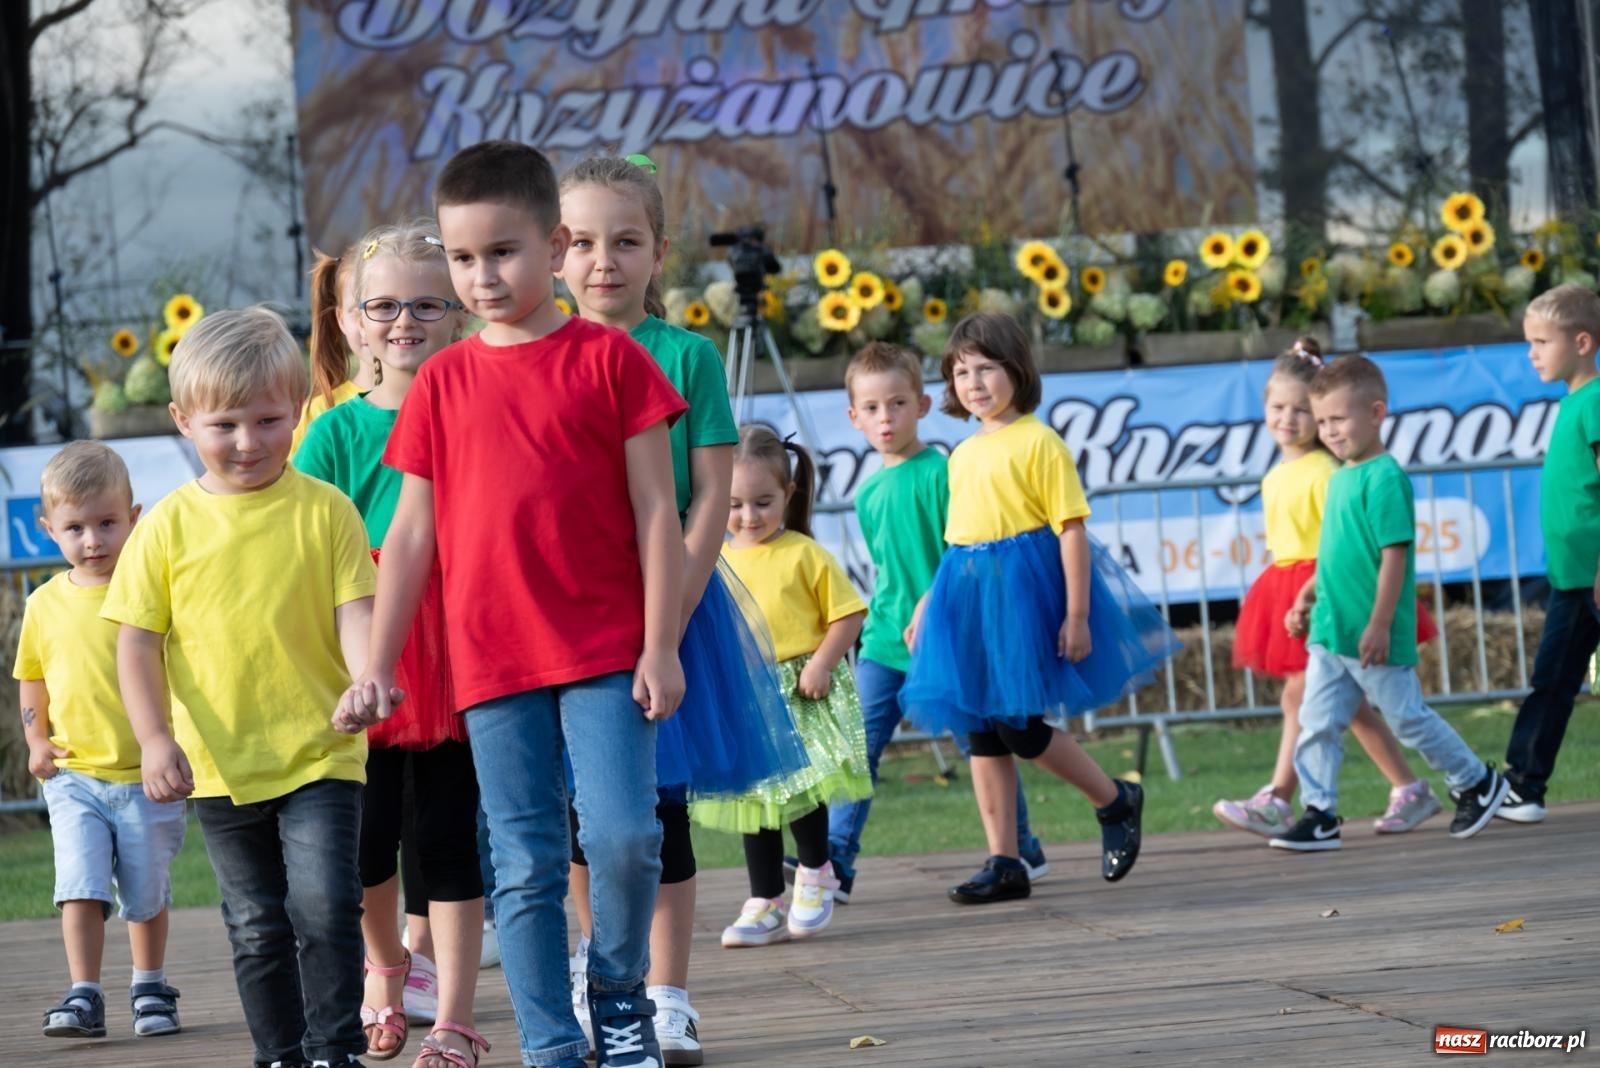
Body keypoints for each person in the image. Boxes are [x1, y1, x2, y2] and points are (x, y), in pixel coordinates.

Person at [334, 139, 687, 1068]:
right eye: (462, 258)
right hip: (492, 661)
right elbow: (410, 535)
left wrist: (662, 643)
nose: (481, 277)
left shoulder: (611, 362)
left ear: (557, 244)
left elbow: (660, 511)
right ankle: (550, 1043)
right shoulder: (443, 382)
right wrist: (378, 666)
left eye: (503, 252)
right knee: (524, 862)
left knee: (620, 838)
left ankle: (617, 990)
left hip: (609, 648)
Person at [556, 154, 807, 1065]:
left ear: (659, 252)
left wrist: (675, 608)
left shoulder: (686, 356)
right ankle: (602, 975)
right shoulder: (532, 352)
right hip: (567, 615)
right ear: (553, 250)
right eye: (581, 242)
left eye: (625, 242)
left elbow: (708, 495)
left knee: (656, 814)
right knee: (584, 813)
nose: (603, 262)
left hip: (671, 606)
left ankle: (666, 995)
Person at [104, 307, 378, 1068]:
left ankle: (335, 1049)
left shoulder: (326, 511)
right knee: (256, 922)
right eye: (225, 424)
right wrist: (154, 738)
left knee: (324, 908)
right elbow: (135, 641)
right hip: (219, 764)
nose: (248, 442)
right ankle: (279, 1054)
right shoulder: (164, 527)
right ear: (183, 421)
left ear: (297, 409)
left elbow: (358, 611)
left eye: (268, 420)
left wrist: (368, 677)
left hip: (324, 747)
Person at [901, 313, 1179, 903]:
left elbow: (1071, 530)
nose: (974, 383)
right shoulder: (962, 454)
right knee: (980, 730)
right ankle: (1005, 860)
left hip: (1022, 595)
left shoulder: (1039, 441)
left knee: (1018, 727)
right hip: (969, 595)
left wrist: (1076, 615)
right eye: (961, 372)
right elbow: (958, 541)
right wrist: (929, 601)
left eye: (987, 369)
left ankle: (1114, 798)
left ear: (1017, 371)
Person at [295, 220, 486, 1068]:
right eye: (381, 305)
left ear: (455, 311)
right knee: (368, 840)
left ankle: (453, 1016)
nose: (403, 320)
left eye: (424, 303)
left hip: (461, 640)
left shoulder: (478, 405)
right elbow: (299, 542)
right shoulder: (334, 432)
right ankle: (386, 968)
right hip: (366, 641)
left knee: (447, 838)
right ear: (348, 321)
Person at [806, 341, 1047, 904]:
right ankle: (838, 856)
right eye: (871, 408)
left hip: (950, 639)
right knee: (857, 744)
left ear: (922, 404)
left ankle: (1023, 846)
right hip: (885, 643)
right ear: (853, 416)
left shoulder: (944, 472)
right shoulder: (867, 493)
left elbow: (960, 554)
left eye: (896, 404)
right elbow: (891, 572)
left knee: (980, 744)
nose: (884, 418)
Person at [1273, 354, 1508, 851]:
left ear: (1376, 413)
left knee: (1407, 719)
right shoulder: (1339, 478)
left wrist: (1380, 624)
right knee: (1316, 723)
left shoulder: (1384, 478)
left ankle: (1477, 782)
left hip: (1369, 634)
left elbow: (1393, 558)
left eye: (1339, 419)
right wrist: (1305, 595)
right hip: (1331, 631)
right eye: (1324, 422)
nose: (1330, 431)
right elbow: (1335, 556)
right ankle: (1320, 813)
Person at [1215, 338, 1441, 838]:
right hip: (1289, 586)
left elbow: (1343, 541)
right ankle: (1408, 786)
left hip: (1328, 588)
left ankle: (1278, 797)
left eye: (1302, 410)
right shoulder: (1278, 474)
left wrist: (1321, 595)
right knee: (1340, 703)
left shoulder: (1327, 472)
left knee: (1303, 698)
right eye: (1278, 407)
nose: (1288, 419)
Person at [15, 442, 187, 1041]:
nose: (93, 540)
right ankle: (84, 992)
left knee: (145, 892)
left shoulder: (150, 590)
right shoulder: (42, 604)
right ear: (49, 529)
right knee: (79, 886)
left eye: (108, 523)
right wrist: (36, 741)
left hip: (145, 776)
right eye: (76, 527)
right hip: (74, 778)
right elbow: (32, 679)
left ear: (134, 517)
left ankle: (150, 985)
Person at [695, 426, 873, 947]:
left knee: (800, 788)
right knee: (754, 796)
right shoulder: (714, 558)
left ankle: (816, 870)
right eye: (735, 504)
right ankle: (765, 898)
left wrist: (820, 663)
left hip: (799, 688)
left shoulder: (804, 554)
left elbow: (848, 614)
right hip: (746, 694)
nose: (749, 517)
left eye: (763, 502)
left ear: (788, 496)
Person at [1497, 283, 1600, 823]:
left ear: (1582, 341)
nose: (1532, 352)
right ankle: (1525, 787)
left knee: (1557, 679)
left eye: (1541, 341)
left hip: (1597, 576)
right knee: (1553, 680)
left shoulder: (1597, 400)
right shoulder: (1572, 403)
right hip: (1573, 581)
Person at [293, 244, 370, 454]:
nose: (373, 323)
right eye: (360, 310)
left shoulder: (454, 400)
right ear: (341, 319)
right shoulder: (317, 413)